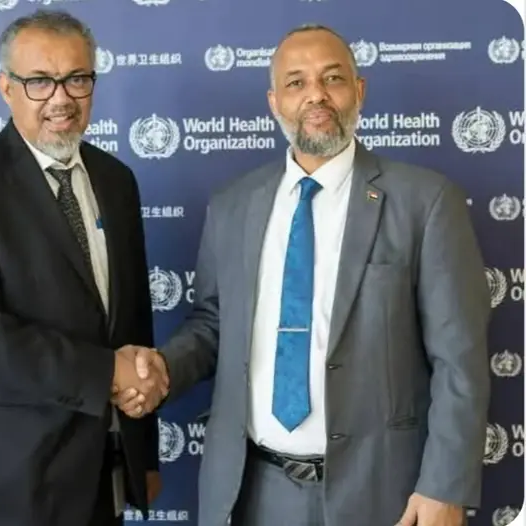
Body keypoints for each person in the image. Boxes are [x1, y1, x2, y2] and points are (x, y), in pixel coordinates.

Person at [113, 23, 490, 526]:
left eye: (333, 78)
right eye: (296, 82)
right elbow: (214, 325)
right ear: (275, 103)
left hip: (382, 492)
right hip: (252, 492)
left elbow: (460, 359)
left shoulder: (426, 201)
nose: (316, 94)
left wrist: (444, 486)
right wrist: (162, 369)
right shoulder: (233, 205)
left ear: (359, 91)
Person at [0, 9, 167, 526]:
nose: (61, 98)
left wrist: (141, 454)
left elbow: (131, 322)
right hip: (0, 485)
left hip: (99, 477)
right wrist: (105, 373)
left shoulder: (116, 180)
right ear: (6, 88)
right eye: (39, 82)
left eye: (77, 79)